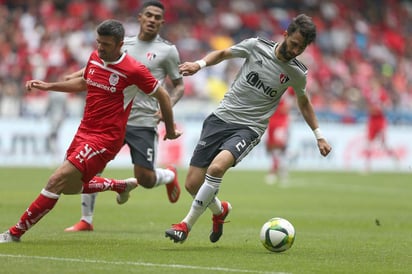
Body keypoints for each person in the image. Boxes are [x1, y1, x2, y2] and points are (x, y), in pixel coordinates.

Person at [0, 19, 181, 243]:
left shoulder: (133, 70)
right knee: (69, 188)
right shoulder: (96, 57)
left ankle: (14, 233)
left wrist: (170, 128)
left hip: (106, 139)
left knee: (55, 180)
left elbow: (162, 95)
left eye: (106, 44)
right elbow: (85, 82)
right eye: (98, 42)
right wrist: (49, 86)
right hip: (84, 131)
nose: (100, 47)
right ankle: (118, 185)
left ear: (120, 44)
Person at [165, 14, 332, 244]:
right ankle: (219, 211)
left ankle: (185, 225)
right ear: (285, 35)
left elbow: (304, 103)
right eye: (294, 44)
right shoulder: (256, 46)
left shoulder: (297, 73)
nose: (295, 51)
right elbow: (223, 53)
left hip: (249, 128)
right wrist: (199, 64)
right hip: (219, 118)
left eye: (300, 48)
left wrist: (319, 135)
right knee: (192, 184)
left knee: (216, 168)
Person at [64, 1, 185, 232]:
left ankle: (168, 174)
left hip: (144, 121)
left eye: (157, 17)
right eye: (148, 15)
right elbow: (99, 64)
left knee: (145, 179)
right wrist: (75, 75)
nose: (152, 19)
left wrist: (168, 106)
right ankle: (86, 220)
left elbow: (179, 86)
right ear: (140, 17)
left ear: (162, 22)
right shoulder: (122, 43)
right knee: (90, 168)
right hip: (112, 119)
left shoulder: (168, 51)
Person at [363, 77, 397, 172]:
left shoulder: (382, 93)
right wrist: (370, 109)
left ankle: (394, 158)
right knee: (368, 143)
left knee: (383, 143)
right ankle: (367, 166)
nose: (372, 85)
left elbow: (387, 105)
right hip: (372, 120)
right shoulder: (369, 94)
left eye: (374, 83)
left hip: (380, 120)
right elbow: (368, 105)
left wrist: (380, 108)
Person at [265, 95, 291, 185]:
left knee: (279, 148)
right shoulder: (270, 96)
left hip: (280, 125)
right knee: (272, 149)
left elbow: (286, 109)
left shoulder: (284, 97)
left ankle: (276, 170)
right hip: (271, 125)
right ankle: (279, 169)